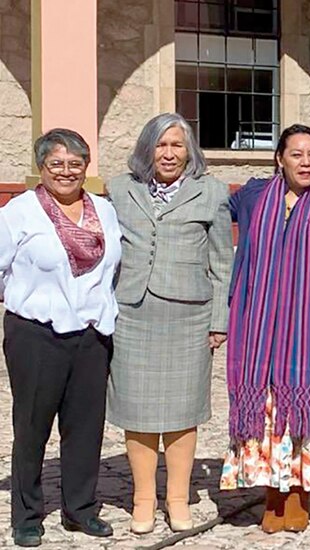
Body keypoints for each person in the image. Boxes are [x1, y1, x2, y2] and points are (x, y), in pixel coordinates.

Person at [106, 113, 234, 534]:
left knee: (183, 411)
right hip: (133, 313)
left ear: (189, 151)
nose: (169, 153)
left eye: (177, 145)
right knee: (136, 410)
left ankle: (178, 498)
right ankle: (143, 499)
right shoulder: (120, 190)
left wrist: (219, 321)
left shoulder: (212, 192)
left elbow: (221, 262)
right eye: (161, 145)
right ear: (147, 149)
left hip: (189, 316)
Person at [0, 129, 121, 547]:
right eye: (57, 163)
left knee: (86, 427)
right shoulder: (19, 213)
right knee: (32, 426)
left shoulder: (104, 211)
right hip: (36, 334)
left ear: (86, 168)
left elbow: (113, 270)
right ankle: (28, 514)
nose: (66, 171)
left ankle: (80, 509)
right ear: (41, 168)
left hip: (92, 334)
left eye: (75, 164)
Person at [219, 124, 310, 534]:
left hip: (309, 328)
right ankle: (271, 495)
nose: (305, 162)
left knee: (305, 409)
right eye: (296, 154)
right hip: (258, 322)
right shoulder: (254, 196)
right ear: (280, 159)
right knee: (267, 412)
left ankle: (298, 495)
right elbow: (212, 214)